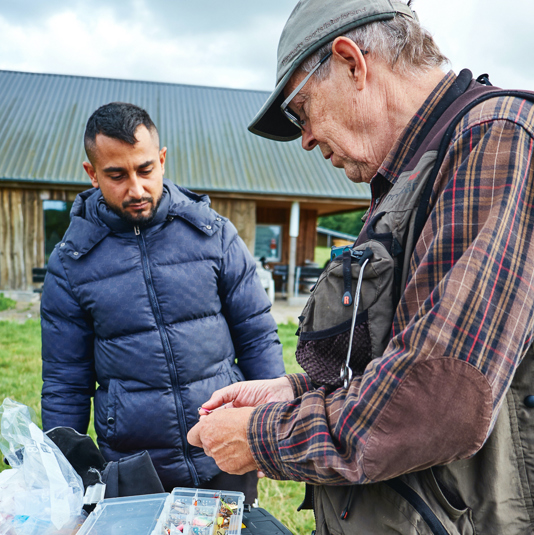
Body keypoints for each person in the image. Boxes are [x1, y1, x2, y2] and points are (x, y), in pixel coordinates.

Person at [187, 0, 534, 532]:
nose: (304, 138)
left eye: (301, 112)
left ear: (352, 62)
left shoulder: (498, 142)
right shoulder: (412, 177)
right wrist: (294, 392)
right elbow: (392, 361)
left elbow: (436, 399)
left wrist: (260, 436)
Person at [40, 102, 285, 502]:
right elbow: (66, 382)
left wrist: (268, 427)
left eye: (146, 169)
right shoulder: (71, 264)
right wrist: (64, 474)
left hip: (222, 454)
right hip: (135, 468)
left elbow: (256, 335)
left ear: (163, 159)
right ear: (92, 173)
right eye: (116, 175)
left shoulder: (213, 236)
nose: (135, 189)